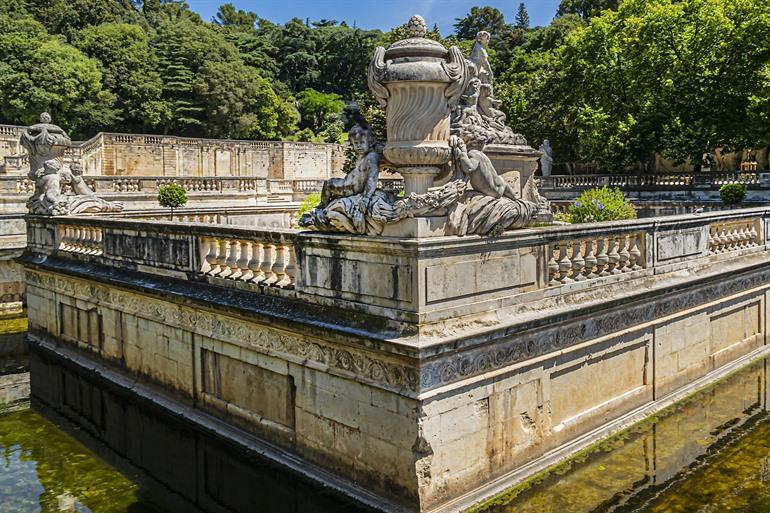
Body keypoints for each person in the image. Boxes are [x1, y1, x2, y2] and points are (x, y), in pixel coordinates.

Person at [319, 125, 379, 216]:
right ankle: (326, 206)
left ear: (370, 142)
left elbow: (372, 178)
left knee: (328, 184)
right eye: (356, 143)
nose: (359, 146)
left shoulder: (371, 157)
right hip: (349, 185)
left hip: (349, 188)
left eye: (362, 142)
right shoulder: (363, 156)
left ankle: (323, 206)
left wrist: (366, 198)